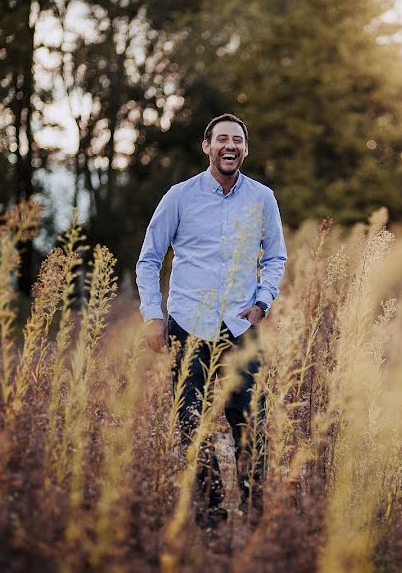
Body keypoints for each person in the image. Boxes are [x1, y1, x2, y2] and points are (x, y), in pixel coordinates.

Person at [136, 113, 287, 529]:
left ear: (245, 149)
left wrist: (263, 300)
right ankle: (212, 519)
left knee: (251, 424)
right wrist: (153, 314)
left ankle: (256, 520)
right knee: (192, 424)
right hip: (188, 326)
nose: (229, 146)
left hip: (240, 328)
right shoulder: (179, 197)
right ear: (207, 146)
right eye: (221, 139)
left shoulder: (262, 199)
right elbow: (149, 259)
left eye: (237, 140)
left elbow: (275, 257)